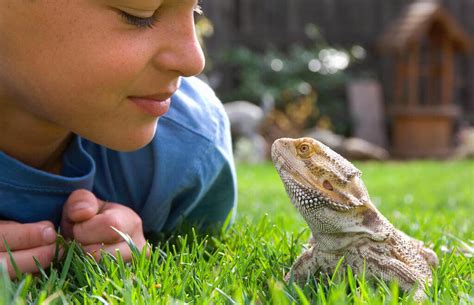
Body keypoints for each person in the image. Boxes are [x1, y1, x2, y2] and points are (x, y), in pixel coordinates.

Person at [0, 0, 237, 279]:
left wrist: (146, 242)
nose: (194, 61)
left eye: (196, 11)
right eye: (138, 15)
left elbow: (201, 248)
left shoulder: (185, 149)